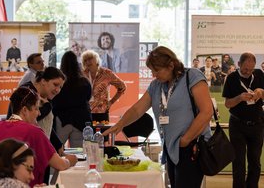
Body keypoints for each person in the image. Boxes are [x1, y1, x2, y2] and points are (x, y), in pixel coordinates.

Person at [103, 46, 213, 188]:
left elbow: (206, 111)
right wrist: (119, 125)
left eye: (157, 70)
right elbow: (137, 109)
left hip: (191, 146)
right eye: (152, 71)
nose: (154, 75)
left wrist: (186, 139)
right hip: (171, 148)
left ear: (171, 65)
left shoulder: (192, 76)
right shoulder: (156, 86)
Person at [0, 87, 78, 187]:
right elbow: (60, 164)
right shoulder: (34, 132)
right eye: (36, 108)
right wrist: (70, 160)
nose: (39, 113)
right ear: (24, 110)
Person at [222, 52, 264, 188]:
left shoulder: (259, 74)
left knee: (255, 162)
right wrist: (239, 98)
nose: (248, 72)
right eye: (245, 69)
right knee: (238, 162)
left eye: (251, 69)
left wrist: (261, 92)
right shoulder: (231, 78)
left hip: (257, 124)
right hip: (237, 124)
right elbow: (228, 104)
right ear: (239, 64)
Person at [81, 50, 126, 142]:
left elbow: (122, 87)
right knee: (87, 141)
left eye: (90, 59)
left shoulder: (107, 73)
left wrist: (111, 102)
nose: (87, 62)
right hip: (85, 112)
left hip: (102, 112)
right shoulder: (82, 74)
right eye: (85, 60)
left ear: (96, 60)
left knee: (101, 141)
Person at [52, 51, 92, 147]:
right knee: (80, 154)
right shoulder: (84, 81)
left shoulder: (58, 82)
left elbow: (53, 100)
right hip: (81, 120)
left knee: (57, 151)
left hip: (61, 120)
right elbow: (88, 97)